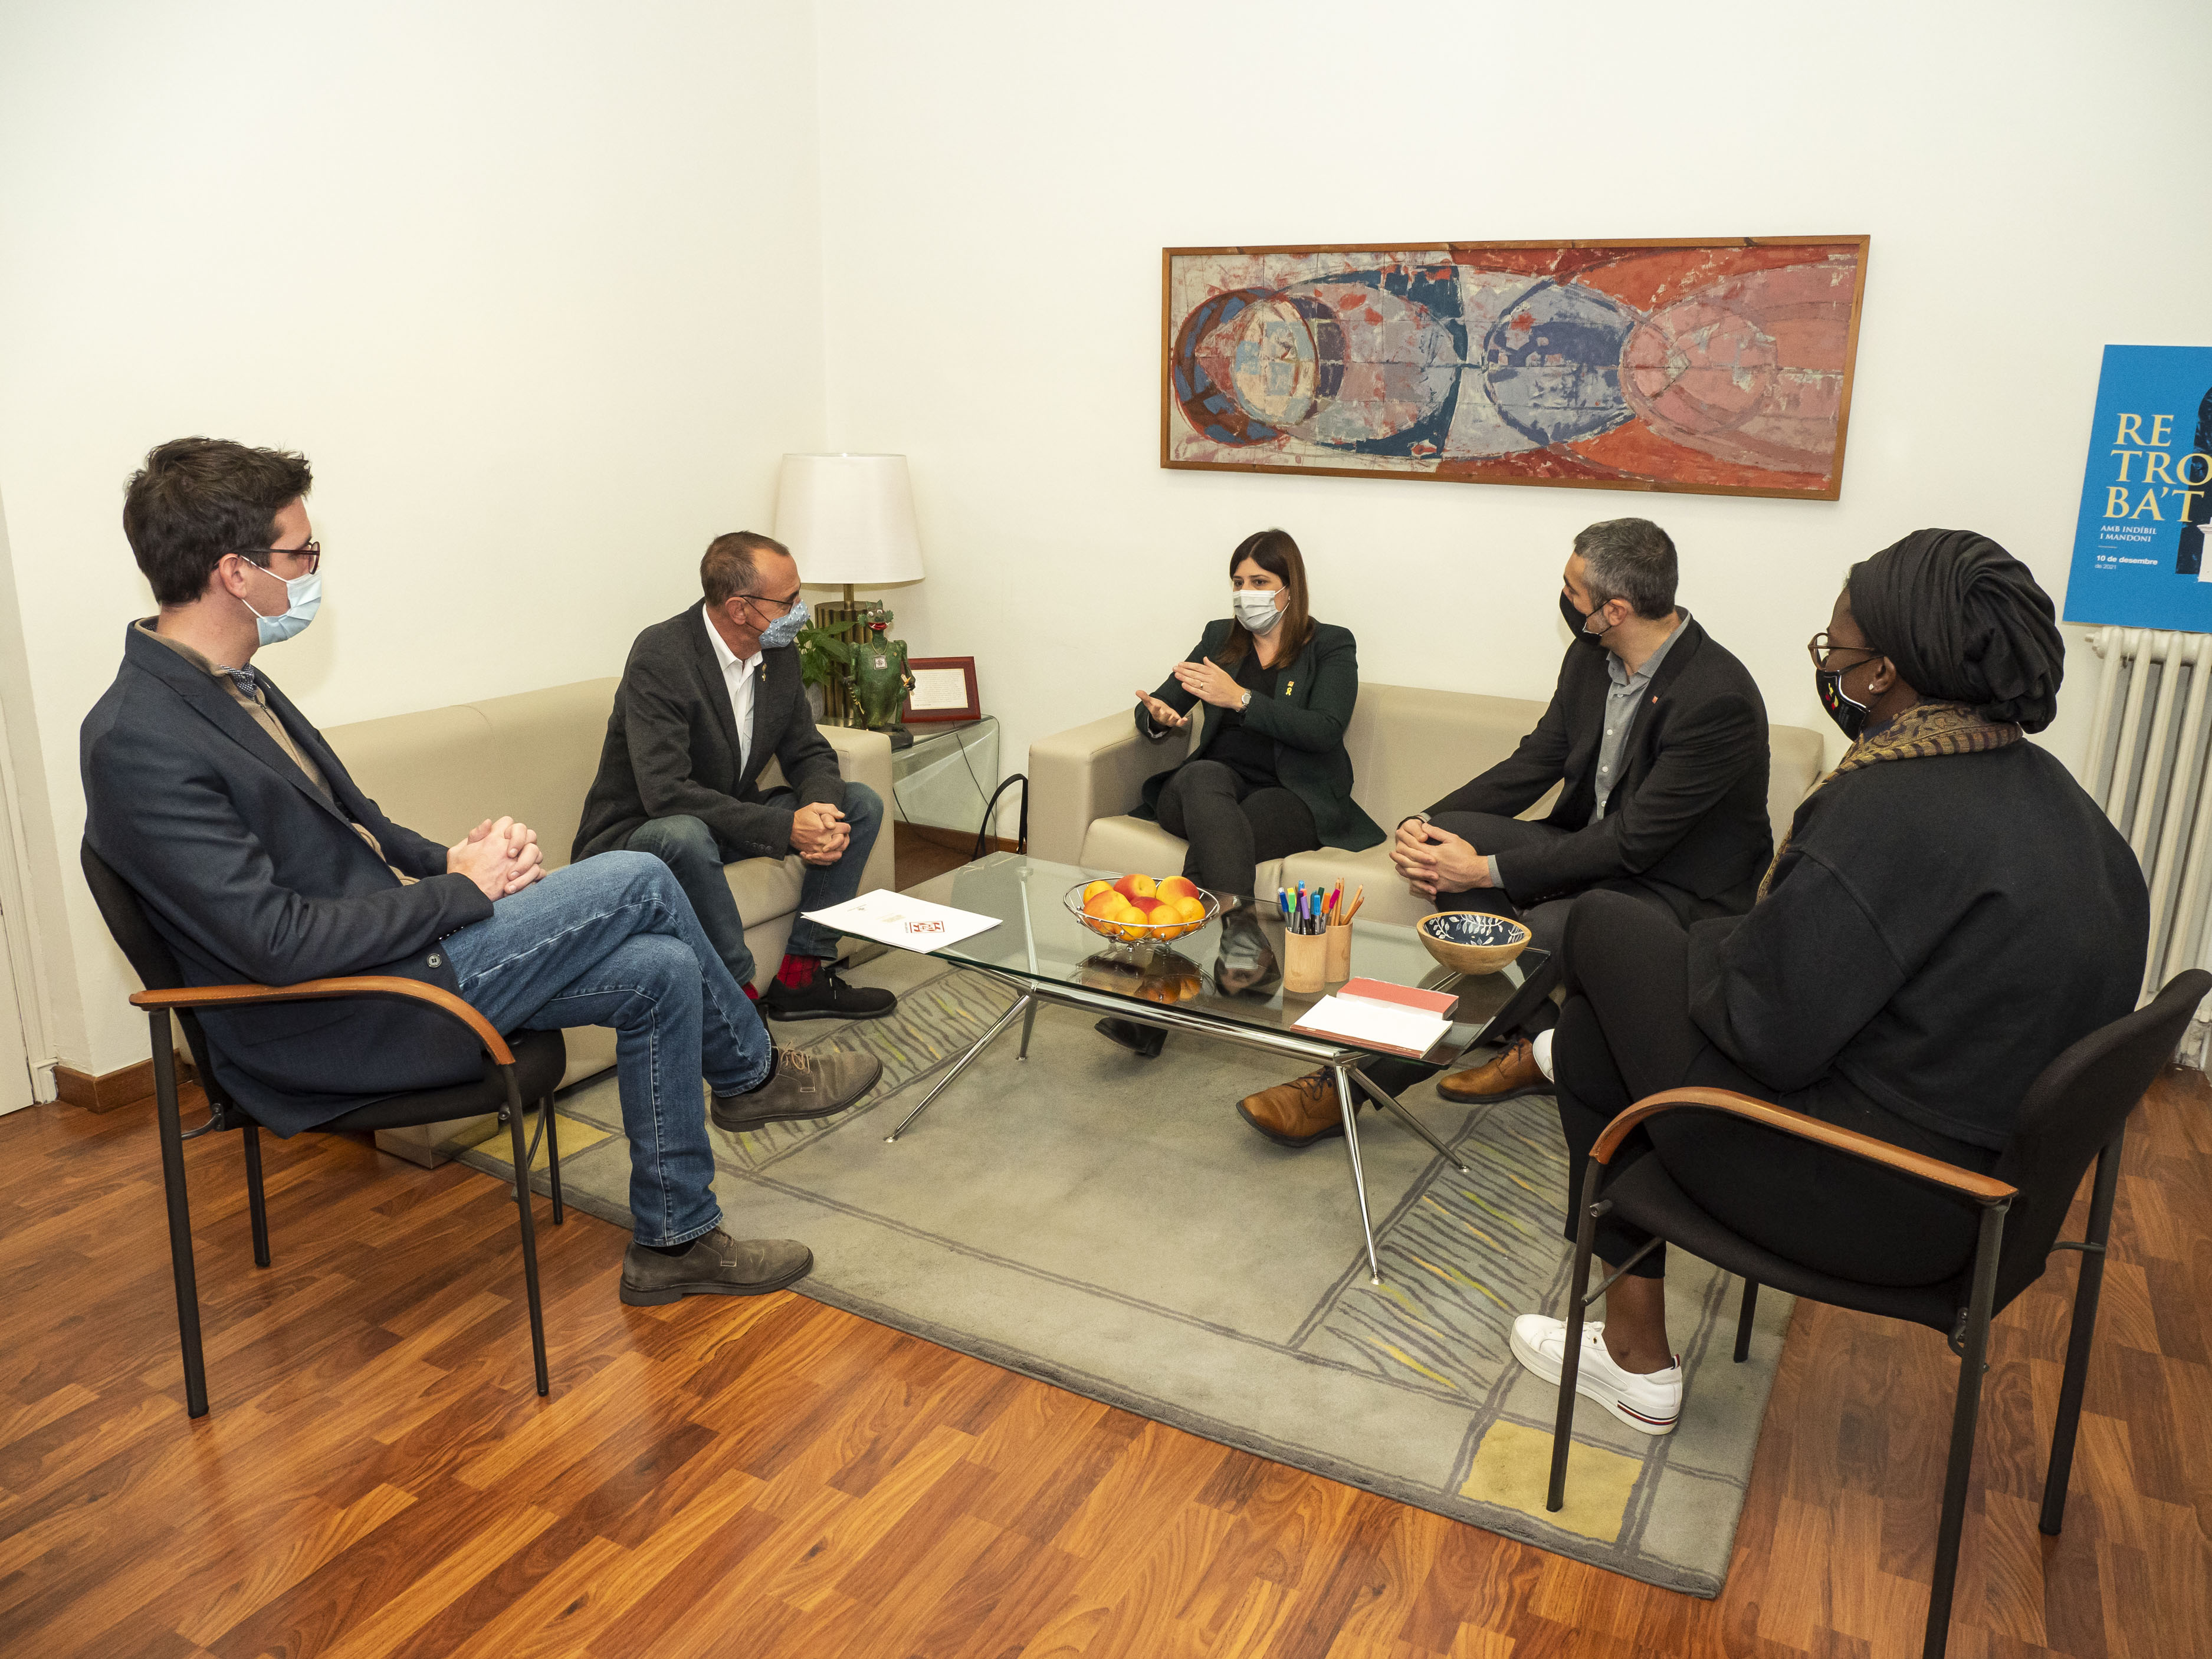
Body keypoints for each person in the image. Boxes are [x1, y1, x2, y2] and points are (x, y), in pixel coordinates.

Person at [81, 439, 881, 1309]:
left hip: (395, 959)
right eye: (301, 553)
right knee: (639, 876)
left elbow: (367, 829)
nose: (313, 570)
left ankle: (676, 1242)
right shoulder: (140, 737)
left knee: (662, 969)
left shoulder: (237, 687)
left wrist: (465, 861)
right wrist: (460, 891)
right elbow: (275, 942)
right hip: (338, 1016)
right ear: (237, 572)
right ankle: (752, 1076)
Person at [1507, 529, 2149, 1436]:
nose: (1826, 663)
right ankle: (1629, 1342)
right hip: (1981, 1205)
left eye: (1834, 647)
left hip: (1866, 1198)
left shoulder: (1888, 805)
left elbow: (1765, 1031)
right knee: (1596, 1029)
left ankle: (1634, 1353)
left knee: (1605, 929)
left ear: (1883, 673)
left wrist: (1713, 949)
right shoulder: (2075, 818)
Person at [1236, 517, 1771, 1148]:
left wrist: (1485, 871)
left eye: (1573, 590)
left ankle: (1345, 1087)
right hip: (1596, 850)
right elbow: (1536, 761)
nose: (1563, 599)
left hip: (1672, 888)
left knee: (1527, 932)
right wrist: (1424, 821)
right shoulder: (1591, 658)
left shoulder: (1716, 699)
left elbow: (1633, 841)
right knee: (1448, 839)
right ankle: (1540, 1039)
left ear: (1615, 610)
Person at [573, 531, 895, 1023]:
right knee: (685, 833)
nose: (800, 612)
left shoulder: (778, 652)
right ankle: (737, 1003)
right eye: (789, 601)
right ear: (740, 609)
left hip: (724, 821)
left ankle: (802, 976)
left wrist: (820, 811)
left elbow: (808, 750)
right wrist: (787, 828)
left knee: (860, 804)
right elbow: (666, 793)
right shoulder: (662, 655)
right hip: (644, 832)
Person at [1099, 528, 1383, 1057]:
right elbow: (1159, 702)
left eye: (1259, 581)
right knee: (1203, 780)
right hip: (1205, 787)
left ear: (1290, 588)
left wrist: (1243, 700)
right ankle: (1244, 934)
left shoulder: (1330, 644)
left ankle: (1152, 1008)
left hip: (1288, 795)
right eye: (1238, 582)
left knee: (1221, 842)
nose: (1245, 592)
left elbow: (1325, 729)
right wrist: (1159, 718)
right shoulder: (1219, 638)